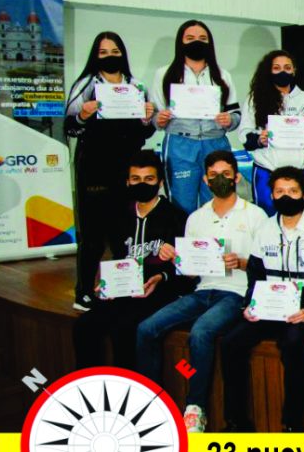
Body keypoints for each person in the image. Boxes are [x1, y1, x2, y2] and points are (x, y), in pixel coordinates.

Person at [135, 150, 268, 432]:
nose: (220, 179)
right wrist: (176, 259)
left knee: (201, 332)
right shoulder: (196, 218)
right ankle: (151, 403)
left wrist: (241, 262)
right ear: (205, 180)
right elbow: (189, 272)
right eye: (214, 175)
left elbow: (266, 265)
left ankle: (195, 409)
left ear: (236, 177)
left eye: (226, 174)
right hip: (202, 290)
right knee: (146, 328)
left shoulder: (255, 215)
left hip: (236, 292)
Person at [219, 166, 304, 432]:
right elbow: (255, 274)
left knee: (293, 343)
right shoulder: (265, 228)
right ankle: (236, 421)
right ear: (272, 196)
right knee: (231, 342)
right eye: (280, 192)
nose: (286, 196)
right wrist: (250, 305)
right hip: (270, 302)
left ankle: (292, 424)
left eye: (293, 191)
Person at [73, 151, 191, 368]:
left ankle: (129, 385)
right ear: (127, 182)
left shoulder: (177, 218)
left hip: (161, 291)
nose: (142, 184)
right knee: (84, 326)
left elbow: (187, 274)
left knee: (124, 329)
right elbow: (117, 257)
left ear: (160, 182)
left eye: (149, 179)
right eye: (136, 179)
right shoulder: (118, 216)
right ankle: (90, 382)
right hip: (124, 288)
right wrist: (106, 282)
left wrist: (162, 276)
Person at [65, 31, 156, 311]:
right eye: (103, 52)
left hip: (128, 168)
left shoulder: (136, 86)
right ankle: (83, 292)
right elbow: (70, 127)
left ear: (123, 54)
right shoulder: (86, 85)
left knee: (124, 231)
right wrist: (84, 114)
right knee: (93, 234)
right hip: (95, 167)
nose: (110, 57)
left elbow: (146, 131)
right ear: (95, 55)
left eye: (115, 51)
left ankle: (121, 286)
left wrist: (147, 119)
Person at [150, 20, 241, 214]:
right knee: (182, 203)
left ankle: (216, 234)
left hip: (215, 143)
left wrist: (229, 120)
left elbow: (236, 114)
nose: (196, 42)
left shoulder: (222, 75)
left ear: (210, 43)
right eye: (190, 38)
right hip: (180, 145)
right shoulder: (164, 74)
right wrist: (159, 119)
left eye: (202, 38)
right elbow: (154, 116)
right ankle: (184, 234)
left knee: (218, 199)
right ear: (180, 42)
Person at [240, 50, 304, 215]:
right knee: (266, 216)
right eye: (276, 68)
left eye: (287, 67)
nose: (282, 72)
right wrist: (259, 139)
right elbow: (244, 134)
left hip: (298, 169)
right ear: (269, 70)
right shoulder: (254, 98)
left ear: (294, 71)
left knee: (297, 217)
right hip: (267, 169)